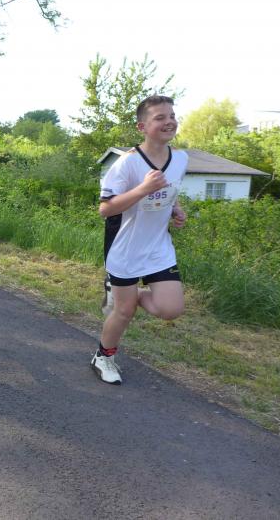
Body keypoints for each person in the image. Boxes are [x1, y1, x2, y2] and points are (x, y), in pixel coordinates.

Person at [94, 95, 187, 385]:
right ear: (142, 127)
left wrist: (175, 208)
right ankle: (103, 357)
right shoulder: (127, 163)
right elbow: (106, 209)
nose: (169, 122)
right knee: (124, 311)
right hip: (125, 247)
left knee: (171, 309)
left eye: (172, 116)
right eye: (160, 117)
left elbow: (170, 190)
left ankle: (121, 293)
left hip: (159, 246)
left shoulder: (181, 158)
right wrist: (143, 189)